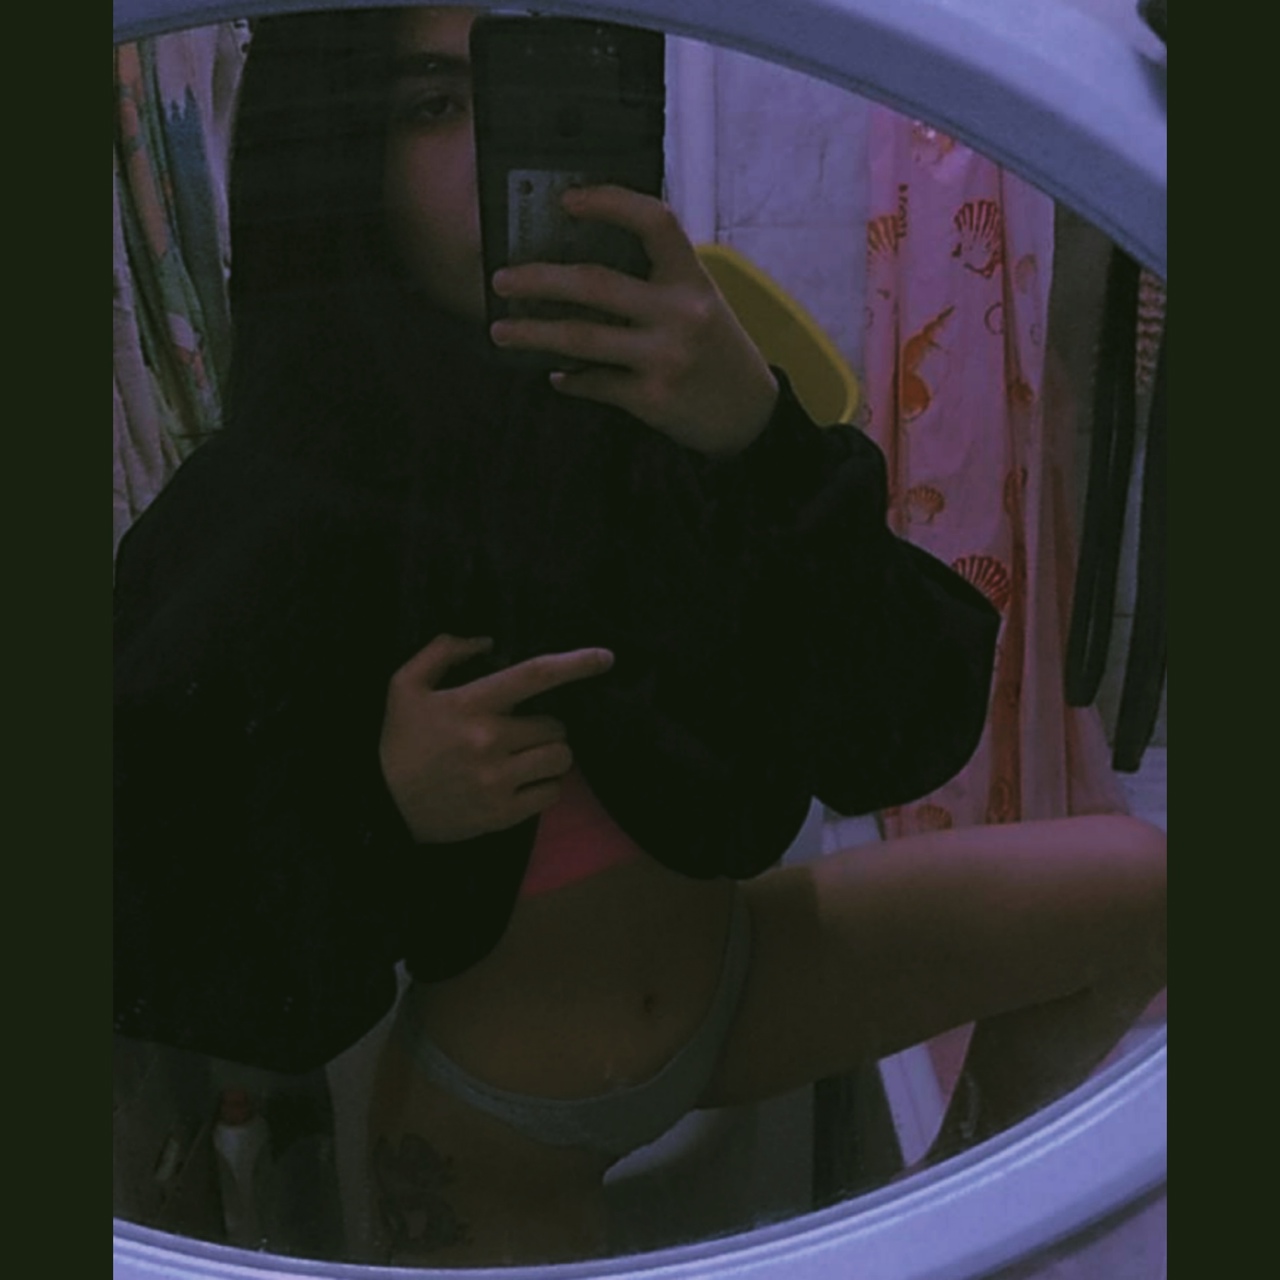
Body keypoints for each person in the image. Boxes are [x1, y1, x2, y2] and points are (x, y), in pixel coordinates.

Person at [112, 6, 1167, 1266]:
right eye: (434, 105)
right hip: (495, 1119)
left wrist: (761, 435)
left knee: (1142, 883)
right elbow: (152, 913)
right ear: (343, 155)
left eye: (531, 92)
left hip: (739, 981)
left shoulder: (671, 416)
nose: (500, 148)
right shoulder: (284, 491)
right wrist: (377, 797)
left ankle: (965, 1195)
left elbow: (902, 732)